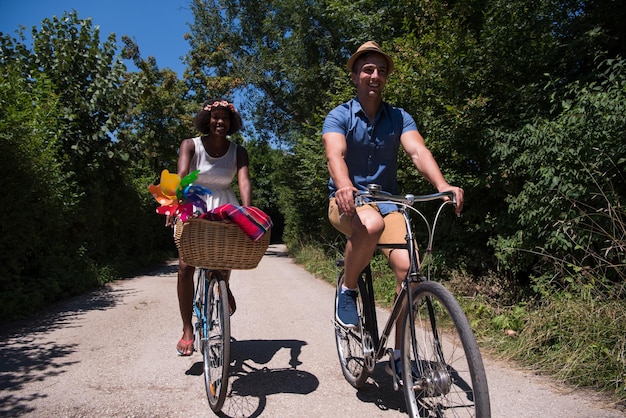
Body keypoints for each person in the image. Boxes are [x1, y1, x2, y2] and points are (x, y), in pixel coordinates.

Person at [322, 41, 464, 377]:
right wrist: (344, 185)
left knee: (410, 274)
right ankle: (348, 289)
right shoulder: (339, 116)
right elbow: (335, 155)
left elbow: (418, 153)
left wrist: (442, 185)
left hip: (389, 203)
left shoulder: (399, 117)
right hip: (346, 202)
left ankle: (400, 354)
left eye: (381, 71)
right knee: (368, 226)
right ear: (355, 75)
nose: (375, 76)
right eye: (368, 70)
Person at [173, 99, 251, 356]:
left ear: (231, 123)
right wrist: (177, 202)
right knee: (185, 266)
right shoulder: (190, 145)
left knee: (222, 259)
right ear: (207, 120)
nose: (220, 122)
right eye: (216, 117)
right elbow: (182, 175)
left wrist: (247, 211)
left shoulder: (238, 151)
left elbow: (243, 181)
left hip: (224, 205)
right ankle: (187, 329)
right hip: (193, 204)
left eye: (225, 118)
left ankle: (222, 287)